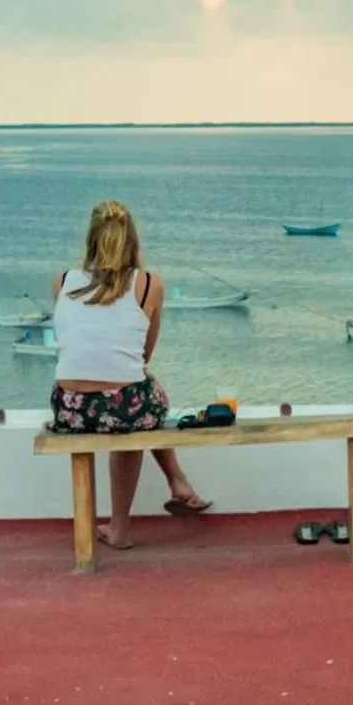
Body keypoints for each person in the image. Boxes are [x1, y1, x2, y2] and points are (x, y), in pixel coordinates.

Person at [48, 200, 210, 551]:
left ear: (91, 240)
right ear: (133, 240)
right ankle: (138, 513)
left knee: (132, 400)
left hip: (68, 409)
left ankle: (177, 484)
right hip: (124, 407)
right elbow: (143, 356)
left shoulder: (63, 281)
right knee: (142, 403)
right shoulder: (149, 283)